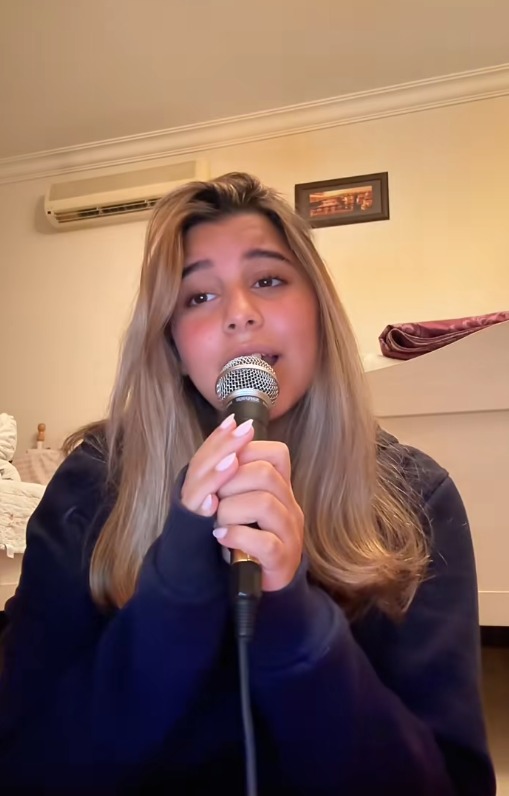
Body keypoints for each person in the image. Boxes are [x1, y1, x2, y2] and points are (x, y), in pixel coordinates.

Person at [0, 173, 496, 795]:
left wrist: (294, 618)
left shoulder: (417, 495)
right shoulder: (92, 481)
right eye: (198, 296)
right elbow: (27, 764)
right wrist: (177, 585)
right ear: (172, 341)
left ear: (318, 310)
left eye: (268, 281)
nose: (240, 313)